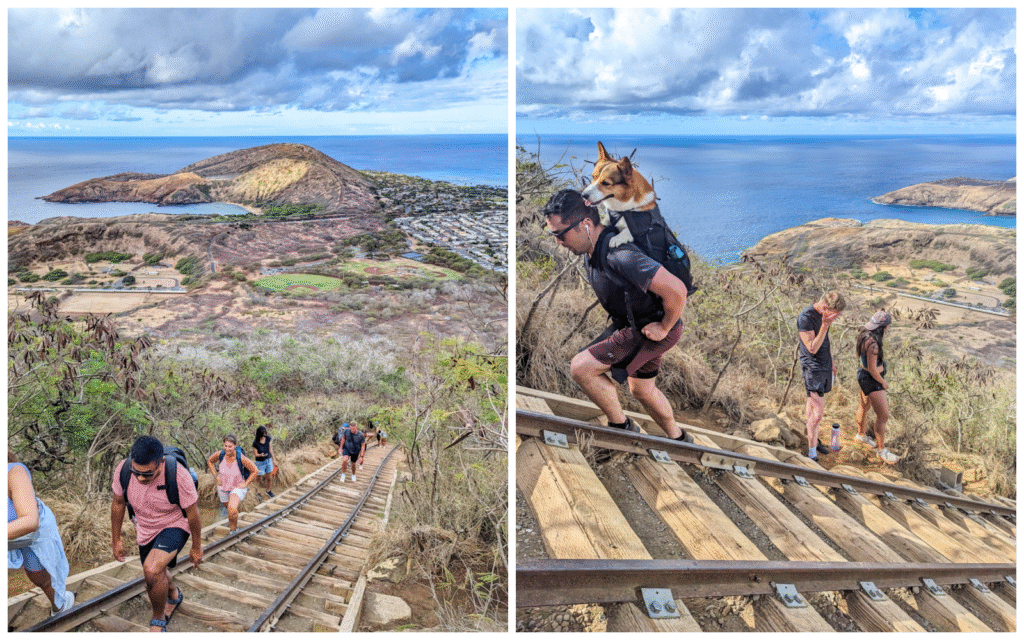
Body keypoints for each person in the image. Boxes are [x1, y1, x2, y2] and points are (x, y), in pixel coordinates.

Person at [543, 190, 693, 443]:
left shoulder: (620, 255)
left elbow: (677, 290)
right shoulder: (594, 249)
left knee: (582, 368)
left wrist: (664, 327)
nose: (558, 241)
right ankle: (680, 440)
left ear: (586, 224)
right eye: (553, 234)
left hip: (648, 329)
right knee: (643, 390)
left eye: (561, 234)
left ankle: (621, 429)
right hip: (640, 325)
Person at [111, 436, 202, 632]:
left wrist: (196, 546)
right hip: (144, 528)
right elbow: (118, 504)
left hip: (174, 523)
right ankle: (174, 594)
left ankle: (158, 620)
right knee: (154, 573)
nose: (140, 478)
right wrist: (116, 539)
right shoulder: (123, 470)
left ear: (160, 462)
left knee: (151, 569)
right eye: (136, 472)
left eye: (148, 474)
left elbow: (193, 514)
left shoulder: (179, 475)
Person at [8, 449, 74, 615]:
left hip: (32, 534)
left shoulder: (13, 472)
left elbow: (30, 520)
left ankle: (59, 604)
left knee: (37, 574)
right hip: (9, 534)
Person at [797, 291, 846, 461]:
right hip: (812, 368)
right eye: (835, 315)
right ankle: (811, 454)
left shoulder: (825, 316)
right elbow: (811, 347)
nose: (836, 318)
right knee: (817, 415)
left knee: (812, 408)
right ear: (825, 308)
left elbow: (826, 340)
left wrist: (831, 361)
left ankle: (813, 440)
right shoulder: (806, 317)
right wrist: (825, 325)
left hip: (824, 365)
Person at [855, 311, 900, 465]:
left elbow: (865, 363)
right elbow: (873, 370)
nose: (888, 329)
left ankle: (861, 435)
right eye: (887, 327)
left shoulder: (864, 335)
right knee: (883, 416)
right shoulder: (873, 344)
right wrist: (883, 383)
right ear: (882, 328)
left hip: (863, 376)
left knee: (864, 406)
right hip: (872, 380)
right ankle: (881, 451)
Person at [206, 435, 258, 535]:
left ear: (235, 446)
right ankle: (233, 519)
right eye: (225, 446)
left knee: (232, 509)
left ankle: (233, 531)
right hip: (223, 487)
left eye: (230, 446)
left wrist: (245, 483)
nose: (227, 448)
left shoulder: (240, 458)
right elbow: (210, 461)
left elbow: (254, 470)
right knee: (230, 509)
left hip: (237, 487)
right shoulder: (220, 454)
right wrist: (215, 476)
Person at [251, 426, 277, 501]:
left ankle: (268, 491)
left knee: (269, 478)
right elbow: (255, 454)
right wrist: (260, 455)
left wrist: (273, 459)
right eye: (262, 434)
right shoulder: (255, 443)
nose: (264, 435)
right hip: (260, 462)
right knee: (258, 478)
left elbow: (270, 449)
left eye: (265, 433)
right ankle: (257, 493)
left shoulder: (268, 439)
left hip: (268, 460)